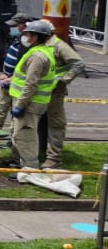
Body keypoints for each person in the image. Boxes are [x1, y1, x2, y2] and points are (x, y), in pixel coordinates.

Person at [5, 19, 59, 172]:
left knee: (25, 137)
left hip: (29, 103)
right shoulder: (43, 52)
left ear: (36, 37)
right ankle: (17, 163)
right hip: (28, 101)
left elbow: (31, 84)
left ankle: (30, 169)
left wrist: (20, 105)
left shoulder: (37, 56)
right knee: (16, 133)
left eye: (29, 35)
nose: (26, 38)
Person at [42, 20, 85, 169]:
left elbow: (78, 64)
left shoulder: (59, 46)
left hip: (53, 93)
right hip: (36, 92)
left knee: (56, 125)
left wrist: (63, 81)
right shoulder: (39, 45)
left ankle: (54, 158)